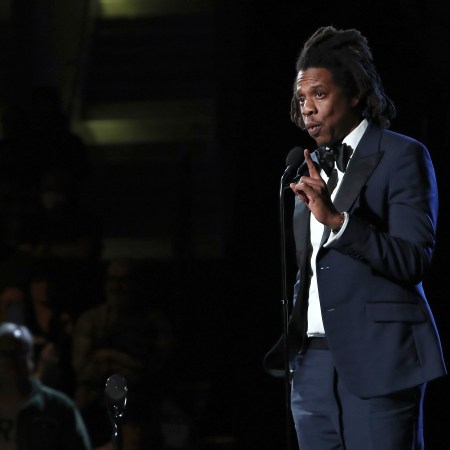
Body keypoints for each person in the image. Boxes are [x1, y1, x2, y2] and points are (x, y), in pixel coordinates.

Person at [264, 26, 447, 449]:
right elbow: (312, 270)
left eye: (320, 95)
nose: (307, 109)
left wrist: (338, 221)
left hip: (379, 361)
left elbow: (413, 259)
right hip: (311, 369)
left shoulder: (403, 155)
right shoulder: (307, 170)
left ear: (356, 93)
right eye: (301, 99)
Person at [0, 322, 92, 450]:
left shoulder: (58, 407)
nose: (13, 363)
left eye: (20, 353)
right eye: (6, 355)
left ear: (30, 358)